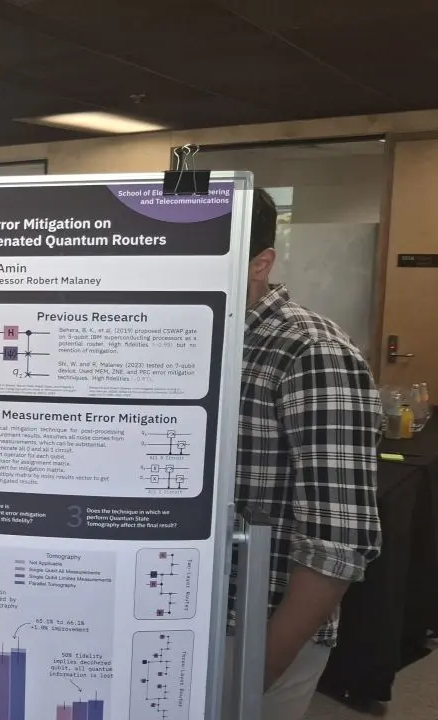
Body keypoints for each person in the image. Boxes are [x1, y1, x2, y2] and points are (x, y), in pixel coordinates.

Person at [234, 188, 382, 720]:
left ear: (260, 264)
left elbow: (337, 543)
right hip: (173, 612)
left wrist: (252, 674)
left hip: (255, 627)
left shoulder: (311, 351)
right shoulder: (188, 337)